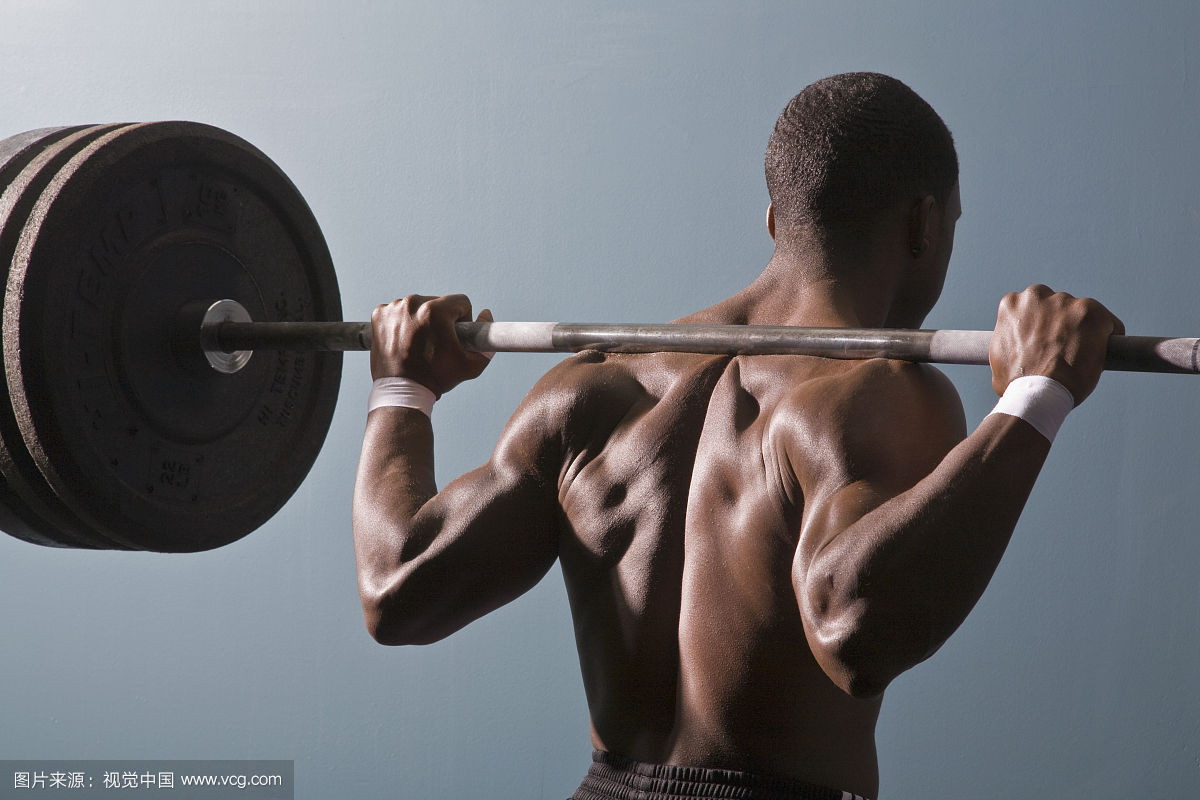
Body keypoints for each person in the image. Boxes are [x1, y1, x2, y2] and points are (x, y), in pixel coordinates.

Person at [352, 72, 1124, 800]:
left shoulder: (592, 389)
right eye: (951, 226)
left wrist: (403, 386)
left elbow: (396, 588)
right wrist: (1035, 396)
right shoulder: (878, 393)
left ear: (775, 221)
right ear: (923, 223)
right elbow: (852, 631)